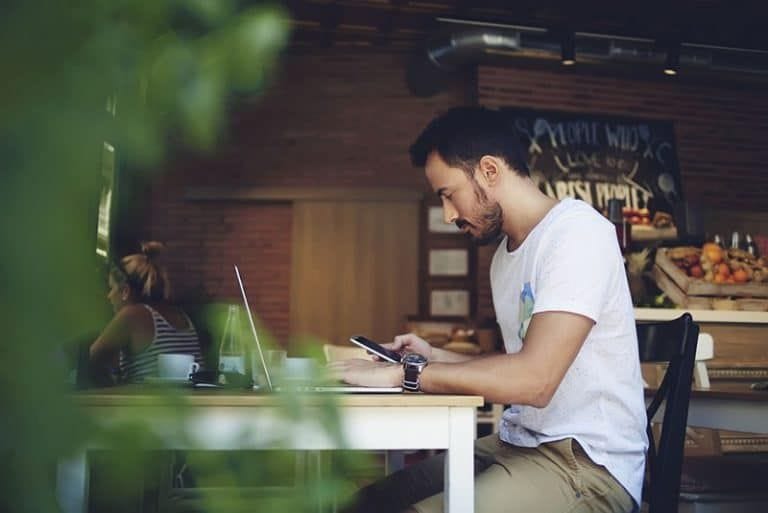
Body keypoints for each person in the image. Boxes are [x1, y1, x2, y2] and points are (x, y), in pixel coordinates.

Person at [330, 106, 648, 513]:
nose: (448, 215)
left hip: (586, 467)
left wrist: (407, 373)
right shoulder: (505, 256)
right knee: (369, 503)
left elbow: (535, 380)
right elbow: (519, 365)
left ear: (489, 171)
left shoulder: (577, 234)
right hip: (518, 443)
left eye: (448, 194)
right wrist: (435, 357)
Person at [90, 241, 202, 383]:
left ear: (125, 291)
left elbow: (88, 359)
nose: (109, 296)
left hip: (148, 403)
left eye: (112, 288)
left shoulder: (131, 315)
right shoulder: (181, 315)